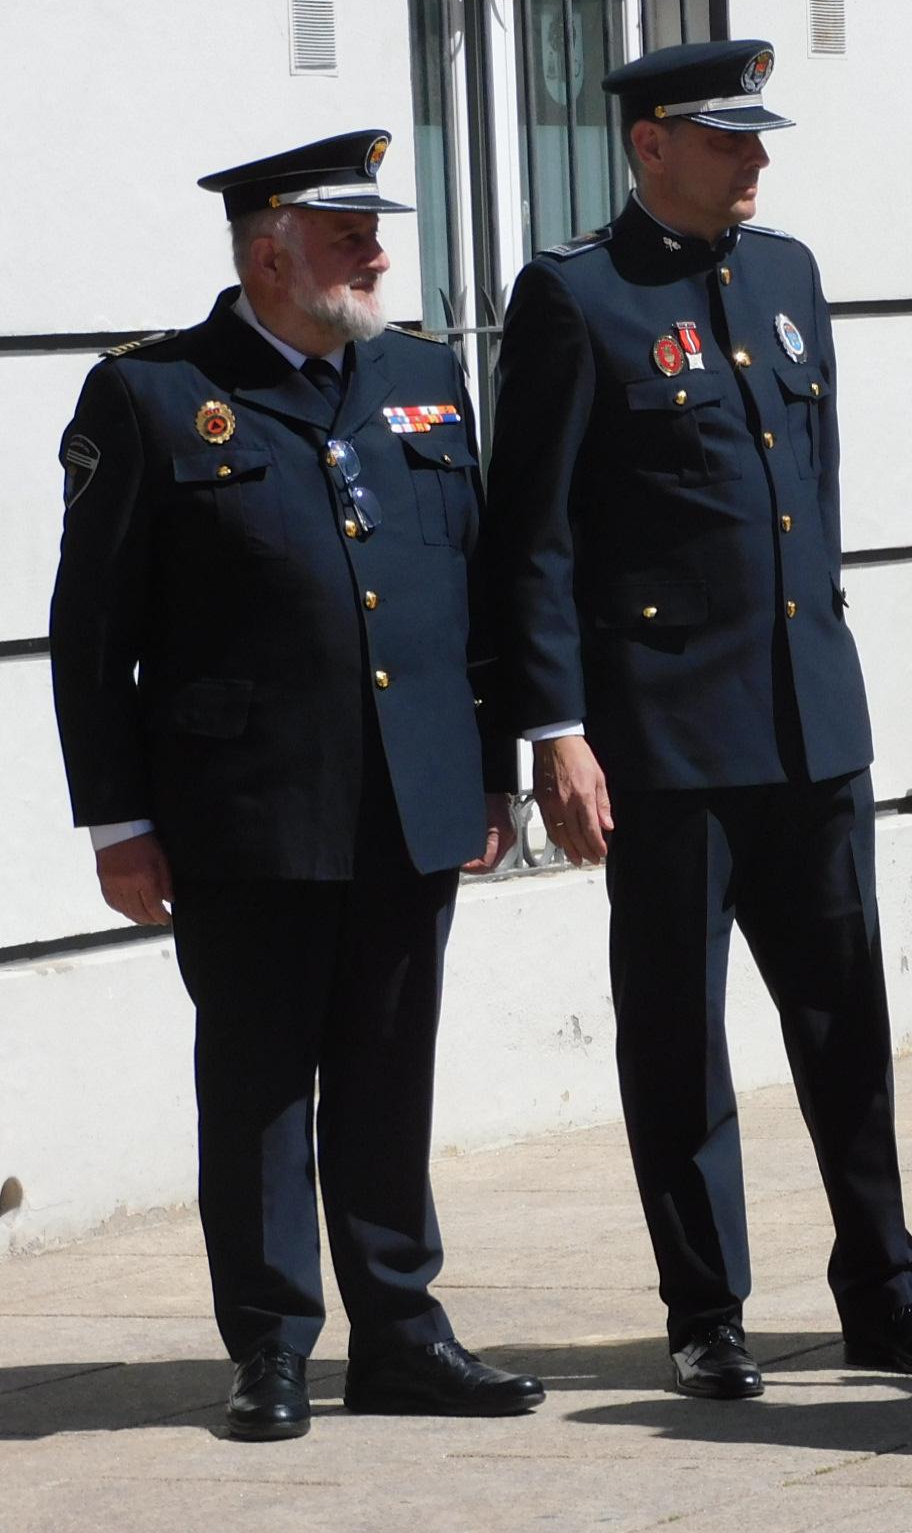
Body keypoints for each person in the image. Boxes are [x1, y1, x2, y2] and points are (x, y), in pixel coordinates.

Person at [477, 39, 912, 1399]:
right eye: (726, 139)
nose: (756, 160)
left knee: (848, 1027)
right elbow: (530, 540)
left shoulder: (788, 277)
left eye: (759, 138)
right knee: (675, 1033)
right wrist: (557, 731)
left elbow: (803, 500)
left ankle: (885, 1294)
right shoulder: (575, 298)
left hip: (810, 722)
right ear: (651, 145)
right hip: (663, 736)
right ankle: (706, 1310)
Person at [47, 132, 544, 1441]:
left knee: (389, 1073)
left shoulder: (422, 375)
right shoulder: (154, 397)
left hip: (412, 796)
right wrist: (120, 821)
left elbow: (473, 594)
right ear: (271, 248)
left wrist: (489, 773)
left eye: (375, 230)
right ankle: (269, 1344)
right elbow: (93, 634)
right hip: (246, 809)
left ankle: (402, 1331)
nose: (377, 252)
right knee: (262, 1082)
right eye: (346, 233)